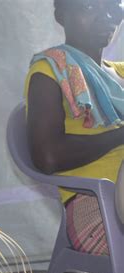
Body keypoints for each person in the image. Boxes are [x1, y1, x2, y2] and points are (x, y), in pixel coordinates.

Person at [25, 0, 123, 257]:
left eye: (115, 8)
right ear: (62, 14)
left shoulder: (121, 75)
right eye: (90, 7)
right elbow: (47, 157)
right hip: (98, 211)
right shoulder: (50, 71)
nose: (107, 17)